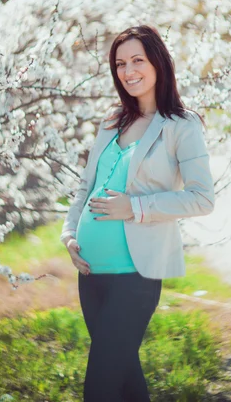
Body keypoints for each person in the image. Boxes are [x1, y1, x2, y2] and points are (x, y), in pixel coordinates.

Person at [61, 24, 215, 402]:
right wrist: (68, 235)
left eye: (137, 61)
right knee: (126, 380)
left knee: (99, 387)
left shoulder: (181, 125)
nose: (128, 71)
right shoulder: (113, 120)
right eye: (119, 64)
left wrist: (136, 207)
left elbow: (202, 198)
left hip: (136, 275)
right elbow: (87, 186)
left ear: (158, 63)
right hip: (91, 272)